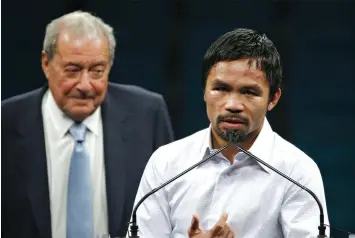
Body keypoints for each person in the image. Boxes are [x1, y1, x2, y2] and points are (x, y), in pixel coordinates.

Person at [132, 28, 329, 238]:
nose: (233, 105)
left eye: (249, 92)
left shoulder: (297, 172)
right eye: (221, 89)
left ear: (273, 99)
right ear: (204, 92)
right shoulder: (166, 163)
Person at [1, 11, 174, 238]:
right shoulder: (6, 122)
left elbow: (171, 206)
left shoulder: (147, 114)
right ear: (46, 63)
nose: (85, 85)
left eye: (97, 72)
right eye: (72, 71)